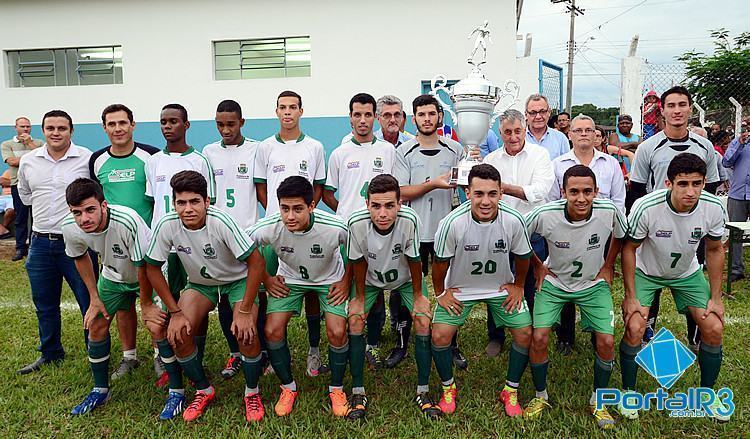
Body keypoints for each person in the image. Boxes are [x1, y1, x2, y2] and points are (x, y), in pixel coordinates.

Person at [145, 170, 265, 422]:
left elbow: (256, 262)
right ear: (174, 203)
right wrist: (175, 312)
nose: (187, 209)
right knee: (177, 334)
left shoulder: (221, 221)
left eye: (194, 201)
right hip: (201, 284)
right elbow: (151, 268)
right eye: (181, 202)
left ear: (207, 201)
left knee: (246, 331)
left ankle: (252, 392)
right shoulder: (167, 224)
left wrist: (243, 311)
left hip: (236, 281)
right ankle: (203, 389)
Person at [619, 153, 729, 422]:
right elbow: (629, 249)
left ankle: (707, 394)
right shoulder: (647, 206)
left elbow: (715, 249)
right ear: (669, 183)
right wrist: (630, 296)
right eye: (683, 184)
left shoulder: (714, 207)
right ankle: (629, 393)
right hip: (648, 271)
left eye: (697, 183)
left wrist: (716, 297)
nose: (690, 191)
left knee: (714, 327)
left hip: (686, 273)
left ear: (705, 183)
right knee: (635, 327)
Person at [523, 165, 626, 430]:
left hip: (592, 283)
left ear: (597, 191)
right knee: (539, 337)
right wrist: (537, 264)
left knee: (606, 340)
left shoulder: (609, 211)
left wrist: (607, 265)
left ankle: (598, 400)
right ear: (563, 192)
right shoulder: (545, 214)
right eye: (574, 191)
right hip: (555, 282)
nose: (581, 198)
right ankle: (540, 396)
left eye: (587, 191)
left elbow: (620, 236)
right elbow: (518, 237)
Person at [430, 164, 533, 417]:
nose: (485, 201)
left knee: (524, 333)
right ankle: (448, 387)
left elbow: (523, 258)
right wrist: (441, 293)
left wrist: (518, 285)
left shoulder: (513, 220)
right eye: (479, 194)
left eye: (492, 194)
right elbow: (439, 263)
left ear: (501, 192)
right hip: (461, 289)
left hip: (500, 288)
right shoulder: (451, 223)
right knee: (440, 336)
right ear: (468, 192)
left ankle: (510, 390)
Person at [248, 176, 351, 418]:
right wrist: (266, 278)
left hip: (329, 279)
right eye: (285, 208)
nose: (290, 216)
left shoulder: (335, 226)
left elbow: (358, 252)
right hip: (290, 279)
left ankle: (336, 388)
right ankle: (288, 387)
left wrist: (346, 281)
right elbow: (243, 247)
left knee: (337, 331)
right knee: (272, 330)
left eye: (297, 209)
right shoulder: (270, 226)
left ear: (312, 206)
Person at [60, 178, 165, 416]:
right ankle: (100, 389)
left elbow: (144, 266)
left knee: (157, 326)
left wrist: (147, 303)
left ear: (104, 205)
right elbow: (79, 257)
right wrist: (94, 297)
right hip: (113, 276)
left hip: (149, 273)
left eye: (90, 210)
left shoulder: (127, 220)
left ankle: (168, 373)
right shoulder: (68, 225)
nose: (83, 218)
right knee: (96, 324)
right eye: (77, 212)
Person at [627, 86, 719, 349]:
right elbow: (635, 190)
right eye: (671, 106)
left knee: (692, 275)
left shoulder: (705, 146)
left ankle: (697, 335)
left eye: (682, 105)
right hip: (654, 226)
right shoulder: (648, 147)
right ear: (662, 111)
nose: (677, 111)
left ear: (690, 108)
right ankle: (648, 331)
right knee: (650, 277)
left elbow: (710, 187)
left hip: (692, 226)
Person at [346, 174, 439, 419]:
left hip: (405, 279)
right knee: (355, 318)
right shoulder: (356, 223)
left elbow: (415, 259)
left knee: (422, 319)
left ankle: (423, 390)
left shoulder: (410, 219)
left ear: (399, 204)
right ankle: (358, 391)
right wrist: (360, 297)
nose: (382, 213)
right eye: (376, 206)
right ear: (367, 205)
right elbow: (357, 261)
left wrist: (419, 295)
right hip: (370, 279)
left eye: (389, 205)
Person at [254, 90, 328, 378]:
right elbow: (261, 187)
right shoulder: (264, 147)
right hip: (276, 230)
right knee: (268, 287)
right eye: (282, 107)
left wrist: (304, 215)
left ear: (301, 111)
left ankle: (313, 350)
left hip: (307, 230)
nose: (287, 112)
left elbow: (318, 186)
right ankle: (271, 354)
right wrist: (278, 214)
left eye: (293, 107)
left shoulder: (315, 147)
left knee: (310, 288)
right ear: (276, 111)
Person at [16, 110, 93, 375]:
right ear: (43, 130)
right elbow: (25, 196)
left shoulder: (86, 159)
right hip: (39, 243)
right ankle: (50, 352)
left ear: (71, 130)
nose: (56, 132)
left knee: (88, 300)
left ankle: (94, 351)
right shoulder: (28, 161)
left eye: (62, 128)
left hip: (77, 244)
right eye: (50, 128)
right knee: (45, 302)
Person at [393, 94, 466, 369]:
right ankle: (401, 342)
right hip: (414, 230)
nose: (426, 119)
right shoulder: (404, 151)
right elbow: (400, 191)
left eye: (431, 114)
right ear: (414, 119)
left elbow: (465, 184)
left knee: (449, 287)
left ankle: (451, 341)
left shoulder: (455, 150)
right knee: (405, 286)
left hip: (445, 231)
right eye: (421, 115)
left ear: (439, 117)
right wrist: (433, 184)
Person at [323, 93, 395, 367]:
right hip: (346, 233)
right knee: (343, 288)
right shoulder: (340, 153)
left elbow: (394, 189)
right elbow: (328, 191)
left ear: (375, 117)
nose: (362, 120)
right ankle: (341, 344)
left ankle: (373, 344)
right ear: (350, 117)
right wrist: (346, 212)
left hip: (378, 232)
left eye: (368, 115)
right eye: (357, 115)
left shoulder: (387, 151)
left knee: (373, 289)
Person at [89, 103, 160, 381]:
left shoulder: (150, 156)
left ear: (133, 125)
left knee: (153, 303)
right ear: (104, 128)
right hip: (112, 245)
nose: (118, 128)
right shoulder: (97, 161)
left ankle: (159, 357)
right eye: (111, 124)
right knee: (123, 304)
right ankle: (129, 357)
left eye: (123, 123)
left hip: (146, 244)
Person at [145, 104, 216, 369]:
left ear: (186, 125)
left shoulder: (199, 161)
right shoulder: (153, 162)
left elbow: (208, 205)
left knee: (195, 298)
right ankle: (161, 356)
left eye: (173, 121)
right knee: (164, 301)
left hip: (191, 246)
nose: (167, 126)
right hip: (164, 246)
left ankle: (196, 353)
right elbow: (153, 202)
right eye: (163, 121)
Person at [202, 99, 266, 381]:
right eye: (220, 124)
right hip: (219, 235)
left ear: (242, 122)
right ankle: (236, 351)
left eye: (230, 124)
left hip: (249, 232)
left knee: (255, 296)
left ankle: (261, 351)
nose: (225, 129)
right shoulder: (209, 152)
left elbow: (262, 190)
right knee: (225, 298)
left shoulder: (256, 149)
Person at [484, 109, 554, 356]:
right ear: (500, 133)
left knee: (532, 284)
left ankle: (532, 331)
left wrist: (502, 188)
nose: (513, 137)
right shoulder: (491, 160)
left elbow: (540, 191)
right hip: (498, 231)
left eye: (517, 131)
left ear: (524, 130)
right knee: (497, 283)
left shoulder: (540, 155)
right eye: (507, 132)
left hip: (532, 231)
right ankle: (496, 335)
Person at [550, 115, 626, 212]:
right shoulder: (557, 165)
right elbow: (552, 202)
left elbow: (618, 201)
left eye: (588, 130)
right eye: (578, 130)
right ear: (569, 135)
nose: (584, 134)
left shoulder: (611, 163)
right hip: (567, 224)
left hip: (604, 222)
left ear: (594, 135)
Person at [1, 116, 42, 261]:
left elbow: (44, 158)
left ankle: (33, 247)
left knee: (36, 217)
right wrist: (33, 157)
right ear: (15, 127)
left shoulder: (38, 143)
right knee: (20, 217)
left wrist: (30, 144)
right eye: (22, 126)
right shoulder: (7, 144)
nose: (25, 129)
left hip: (37, 184)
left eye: (28, 126)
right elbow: (11, 161)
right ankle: (20, 248)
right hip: (17, 184)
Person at [721, 120, 750, 282]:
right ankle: (736, 269)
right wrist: (738, 144)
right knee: (735, 233)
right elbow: (726, 162)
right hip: (737, 194)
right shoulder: (739, 141)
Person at [524, 94, 570, 160]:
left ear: (549, 112)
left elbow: (566, 166)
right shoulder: (518, 139)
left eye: (542, 112)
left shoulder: (561, 139)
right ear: (526, 114)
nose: (538, 117)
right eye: (533, 113)